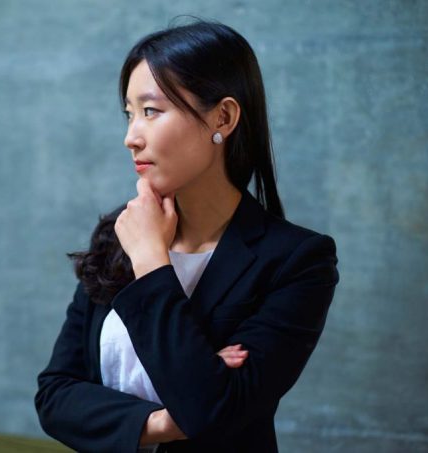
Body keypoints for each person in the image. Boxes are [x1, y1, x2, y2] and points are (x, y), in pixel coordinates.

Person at [34, 18, 339, 452]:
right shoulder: (119, 233)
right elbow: (55, 396)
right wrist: (159, 423)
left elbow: (212, 411)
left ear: (224, 116)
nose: (130, 138)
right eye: (129, 114)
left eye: (151, 111)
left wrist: (152, 261)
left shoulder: (296, 261)